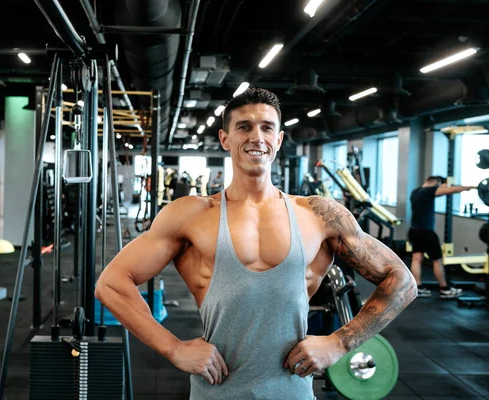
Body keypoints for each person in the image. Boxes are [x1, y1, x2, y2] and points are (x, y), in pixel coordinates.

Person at [95, 88, 417, 399]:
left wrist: (338, 344)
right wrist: (174, 348)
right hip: (216, 394)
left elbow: (400, 281)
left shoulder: (319, 216)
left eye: (267, 128)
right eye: (244, 127)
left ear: (278, 139)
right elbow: (111, 283)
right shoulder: (190, 216)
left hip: (291, 393)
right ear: (225, 138)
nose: (256, 137)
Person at [408, 176, 477, 298]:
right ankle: (444, 288)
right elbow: (449, 190)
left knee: (417, 259)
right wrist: (469, 187)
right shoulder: (430, 190)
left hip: (414, 230)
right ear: (436, 183)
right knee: (437, 261)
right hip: (427, 232)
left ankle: (417, 287)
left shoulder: (415, 192)